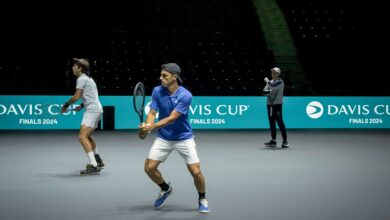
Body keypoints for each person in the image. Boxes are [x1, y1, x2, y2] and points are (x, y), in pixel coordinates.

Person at [138, 63, 210, 213]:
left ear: (174, 77)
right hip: (164, 136)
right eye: (161, 75)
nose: (161, 78)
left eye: (165, 76)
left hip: (184, 137)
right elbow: (152, 112)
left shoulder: (185, 95)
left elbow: (172, 118)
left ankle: (202, 198)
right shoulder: (157, 91)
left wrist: (151, 127)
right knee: (149, 168)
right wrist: (147, 127)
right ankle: (166, 188)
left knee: (196, 171)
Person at [61, 58, 105, 175]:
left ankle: (93, 165)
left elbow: (76, 96)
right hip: (95, 109)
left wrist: (65, 105)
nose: (72, 68)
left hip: (92, 111)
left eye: (75, 66)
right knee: (87, 137)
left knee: (82, 137)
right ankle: (98, 160)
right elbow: (91, 96)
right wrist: (82, 105)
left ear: (80, 68)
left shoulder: (81, 79)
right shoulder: (88, 79)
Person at [263, 67, 289, 148]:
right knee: (271, 123)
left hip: (277, 105)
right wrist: (269, 88)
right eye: (272, 72)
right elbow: (264, 92)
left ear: (278, 74)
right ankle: (273, 140)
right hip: (269, 105)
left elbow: (273, 87)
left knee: (280, 122)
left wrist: (267, 83)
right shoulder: (270, 82)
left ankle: (285, 141)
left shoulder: (280, 82)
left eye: (275, 73)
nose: (273, 74)